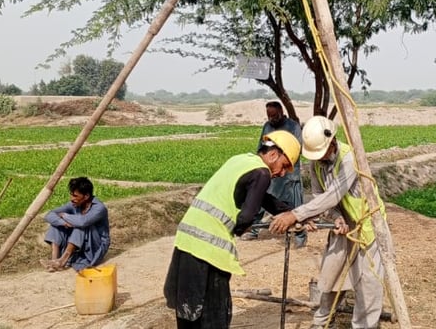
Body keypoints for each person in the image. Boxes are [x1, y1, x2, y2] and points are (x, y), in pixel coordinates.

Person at [163, 130, 301, 329]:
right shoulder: (262, 173)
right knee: (214, 315)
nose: (282, 173)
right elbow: (246, 217)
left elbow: (263, 198)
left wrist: (294, 214)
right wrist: (241, 228)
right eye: (284, 165)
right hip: (210, 249)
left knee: (189, 310)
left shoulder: (240, 161)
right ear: (273, 155)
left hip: (187, 240)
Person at [270, 116, 387, 329]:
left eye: (322, 152)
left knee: (368, 282)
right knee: (331, 274)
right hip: (342, 225)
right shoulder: (316, 164)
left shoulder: (350, 159)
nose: (320, 157)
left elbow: (333, 194)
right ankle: (322, 322)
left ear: (332, 141)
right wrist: (335, 217)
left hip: (368, 223)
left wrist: (295, 215)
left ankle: (365, 326)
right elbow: (319, 195)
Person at [242, 100, 307, 247]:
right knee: (261, 198)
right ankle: (253, 229)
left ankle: (300, 236)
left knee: (295, 206)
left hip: (289, 173)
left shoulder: (293, 126)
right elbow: (261, 148)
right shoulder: (267, 127)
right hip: (271, 171)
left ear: (281, 112)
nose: (272, 119)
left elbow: (297, 149)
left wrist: (283, 162)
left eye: (274, 115)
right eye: (269, 116)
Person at [42, 176, 110, 272]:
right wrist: (63, 223)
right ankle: (54, 260)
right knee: (56, 224)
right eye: (71, 195)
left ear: (86, 196)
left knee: (80, 225)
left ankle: (62, 261)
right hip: (80, 244)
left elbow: (83, 221)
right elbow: (49, 215)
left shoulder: (99, 208)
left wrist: (64, 215)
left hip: (94, 247)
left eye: (75, 196)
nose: (72, 199)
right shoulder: (74, 204)